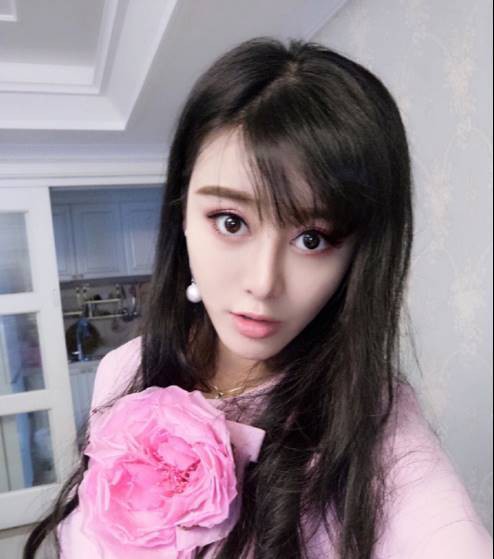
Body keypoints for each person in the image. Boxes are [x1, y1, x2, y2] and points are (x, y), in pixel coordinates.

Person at [23, 37, 492, 559]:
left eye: (312, 239)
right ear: (182, 214)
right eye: (231, 222)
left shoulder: (371, 415)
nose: (264, 283)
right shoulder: (123, 370)